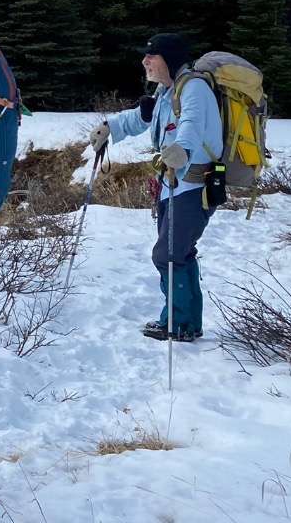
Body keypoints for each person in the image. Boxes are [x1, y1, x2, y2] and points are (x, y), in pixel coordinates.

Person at [88, 32, 224, 342]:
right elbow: (141, 118)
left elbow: (191, 124)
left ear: (170, 60)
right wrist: (111, 128)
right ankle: (188, 323)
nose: (144, 61)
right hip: (172, 184)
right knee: (180, 252)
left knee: (169, 255)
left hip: (193, 185)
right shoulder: (167, 91)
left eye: (152, 56)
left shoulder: (194, 90)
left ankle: (177, 324)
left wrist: (182, 151)